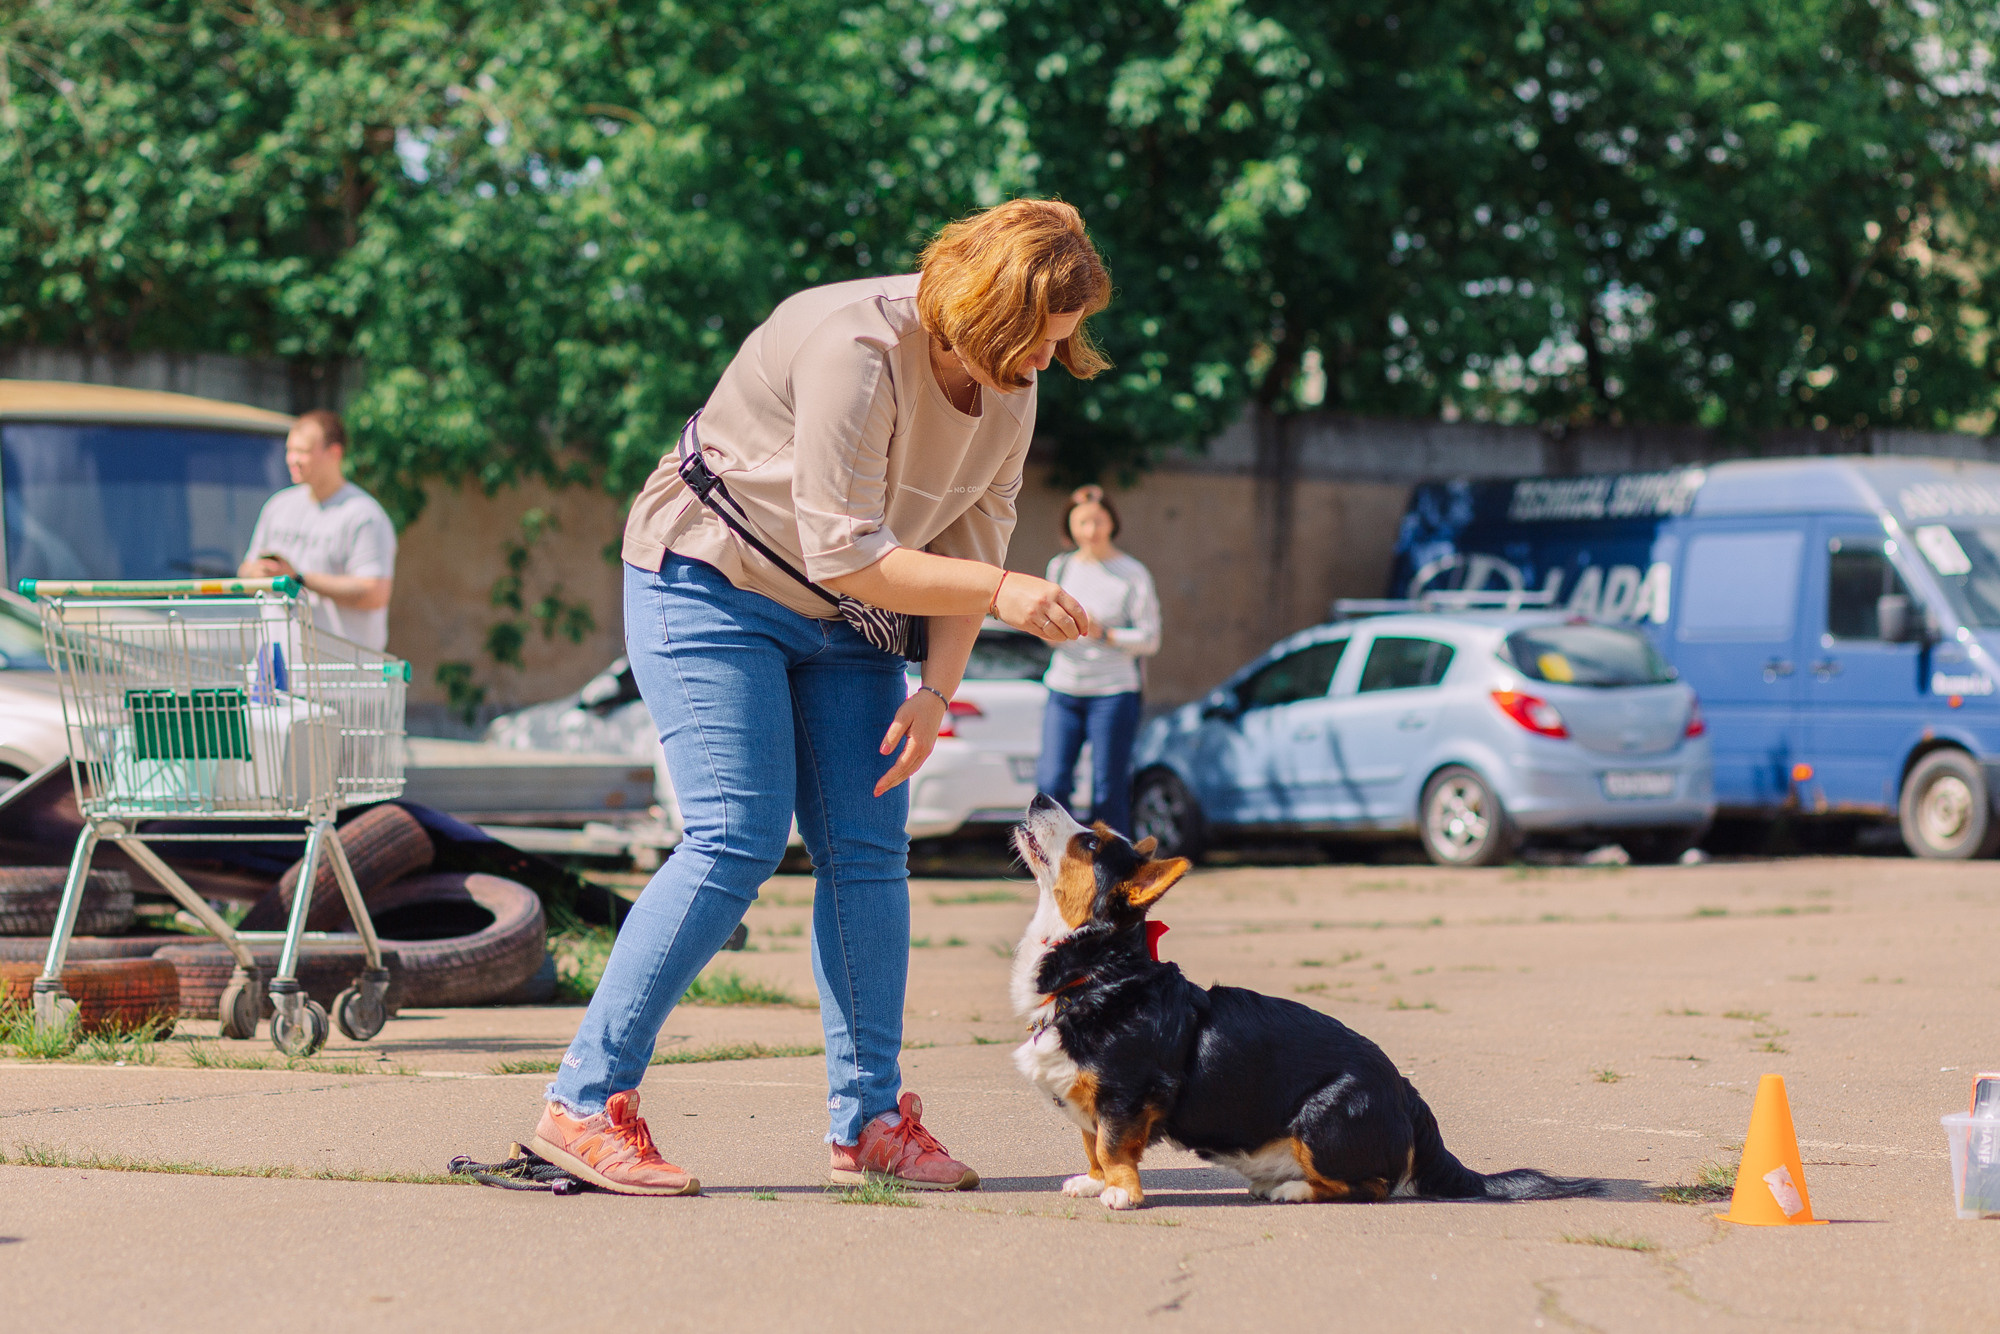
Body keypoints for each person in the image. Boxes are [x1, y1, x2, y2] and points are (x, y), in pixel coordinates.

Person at [528, 199, 1112, 1197]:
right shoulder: (858, 346)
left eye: (1061, 341)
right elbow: (850, 549)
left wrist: (936, 688)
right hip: (711, 578)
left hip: (847, 616)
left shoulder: (1010, 384)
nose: (1048, 361)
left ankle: (870, 1121)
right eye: (1038, 338)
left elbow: (974, 542)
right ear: (986, 308)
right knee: (736, 836)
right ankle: (582, 1101)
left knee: (870, 850)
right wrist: (1003, 595)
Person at [1034, 485, 1161, 836]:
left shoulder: (1132, 573)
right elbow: (1048, 631)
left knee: (1108, 790)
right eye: (1082, 522)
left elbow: (1150, 639)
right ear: (1070, 527)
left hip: (1114, 693)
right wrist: (1048, 629)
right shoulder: (1060, 567)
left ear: (1112, 523)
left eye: (1098, 521)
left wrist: (1105, 633)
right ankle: (1057, 857)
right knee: (1052, 782)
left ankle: (1111, 863)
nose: (1091, 530)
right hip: (1064, 689)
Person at [238, 409, 397, 650]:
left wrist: (299, 579)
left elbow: (374, 594)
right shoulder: (278, 506)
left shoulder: (364, 516)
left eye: (302, 452)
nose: (292, 459)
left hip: (340, 669)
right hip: (278, 665)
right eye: (289, 450)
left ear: (334, 454)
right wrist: (257, 573)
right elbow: (245, 570)